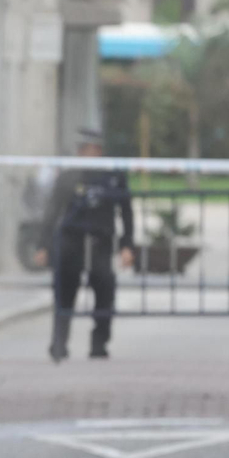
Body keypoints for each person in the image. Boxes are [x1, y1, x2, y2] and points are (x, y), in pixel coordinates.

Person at [37, 128, 135, 362]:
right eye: (83, 149)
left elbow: (126, 212)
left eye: (91, 149)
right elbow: (52, 210)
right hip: (72, 241)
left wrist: (127, 245)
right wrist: (43, 245)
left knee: (104, 294)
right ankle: (59, 344)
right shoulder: (69, 175)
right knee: (64, 295)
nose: (86, 153)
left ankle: (99, 344)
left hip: (101, 242)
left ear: (100, 151)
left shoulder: (113, 175)